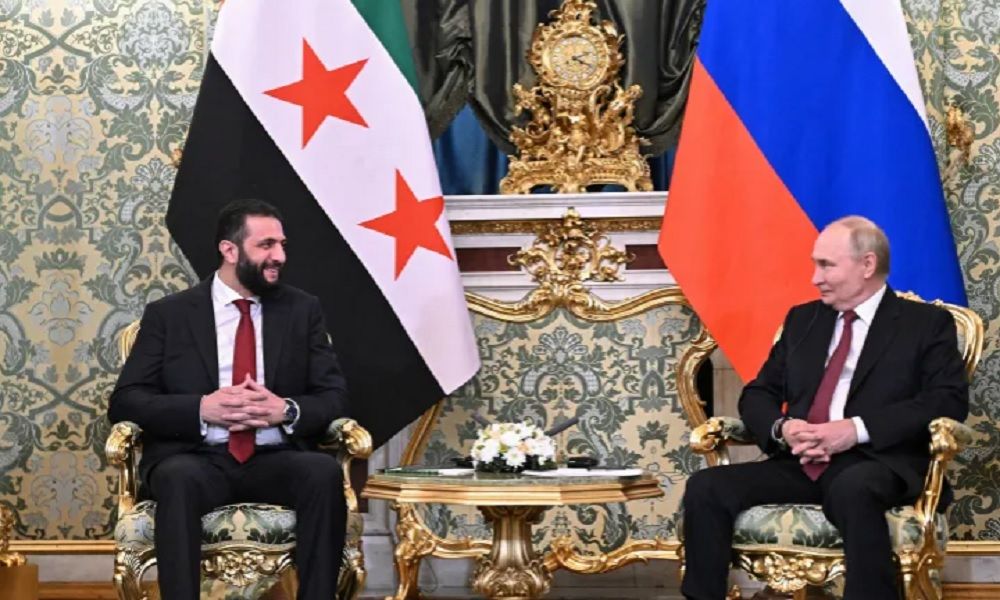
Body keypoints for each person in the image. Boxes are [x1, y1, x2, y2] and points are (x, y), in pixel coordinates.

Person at [681, 216, 969, 600]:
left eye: (826, 265)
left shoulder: (926, 324)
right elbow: (758, 393)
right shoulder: (804, 320)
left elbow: (947, 400)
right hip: (801, 462)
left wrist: (854, 430)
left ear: (867, 264)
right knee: (706, 487)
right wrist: (783, 428)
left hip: (878, 462)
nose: (815, 278)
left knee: (853, 487)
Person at [109, 199, 349, 600]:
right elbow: (126, 400)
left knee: (322, 473)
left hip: (275, 458)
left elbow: (334, 396)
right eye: (266, 245)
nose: (279, 256)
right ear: (229, 250)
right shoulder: (170, 315)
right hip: (198, 457)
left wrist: (285, 410)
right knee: (177, 477)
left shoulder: (302, 309)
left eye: (282, 245)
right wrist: (201, 409)